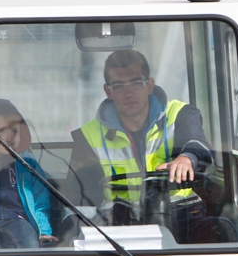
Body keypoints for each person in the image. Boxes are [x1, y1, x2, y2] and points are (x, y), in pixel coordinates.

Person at [68, 49, 214, 233]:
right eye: (119, 86)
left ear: (149, 85)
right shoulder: (88, 136)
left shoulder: (180, 115)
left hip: (182, 217)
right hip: (117, 226)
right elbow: (78, 198)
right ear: (108, 91)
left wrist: (186, 158)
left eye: (136, 83)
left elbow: (198, 145)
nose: (128, 93)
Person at [0, 99, 58, 250]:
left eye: (15, 131)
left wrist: (43, 231)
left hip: (18, 219)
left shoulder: (28, 164)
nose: (9, 138)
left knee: (29, 247)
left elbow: (40, 202)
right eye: (1, 131)